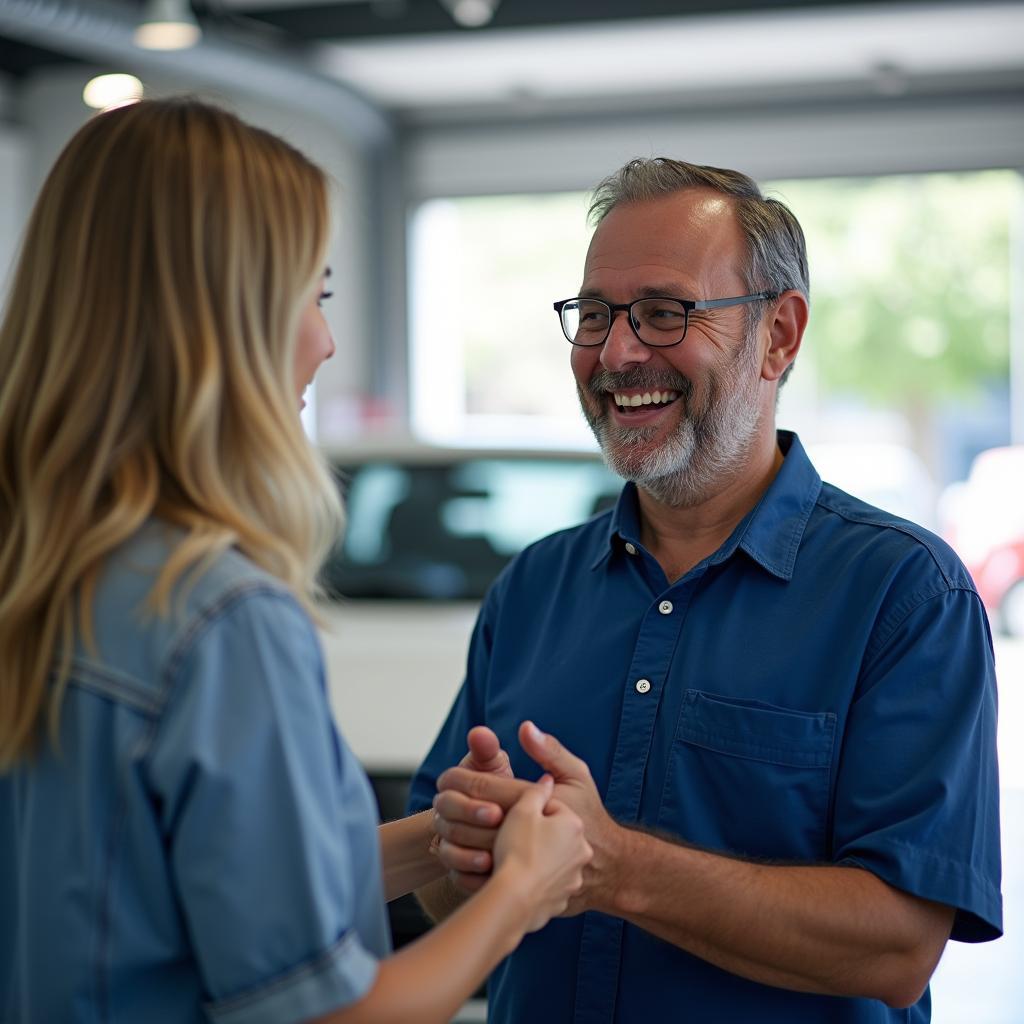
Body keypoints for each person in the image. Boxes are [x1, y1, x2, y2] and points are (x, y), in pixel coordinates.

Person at [0, 98, 591, 1024]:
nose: (325, 340)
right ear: (223, 318)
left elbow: (165, 890)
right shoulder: (218, 622)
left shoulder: (43, 577)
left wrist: (438, 839)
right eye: (313, 296)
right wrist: (523, 890)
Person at [408, 158, 1002, 1024]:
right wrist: (465, 851)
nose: (616, 353)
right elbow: (441, 893)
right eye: (597, 315)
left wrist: (617, 866)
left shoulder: (905, 595)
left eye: (663, 312)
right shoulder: (534, 586)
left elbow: (897, 946)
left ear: (781, 335)